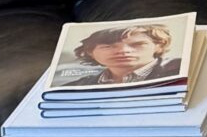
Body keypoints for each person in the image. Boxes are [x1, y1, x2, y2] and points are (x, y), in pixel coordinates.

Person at [46, 21, 183, 91]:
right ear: (90, 52)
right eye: (108, 46)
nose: (123, 51)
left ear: (159, 45)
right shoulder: (75, 87)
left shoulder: (179, 69)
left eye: (137, 44)